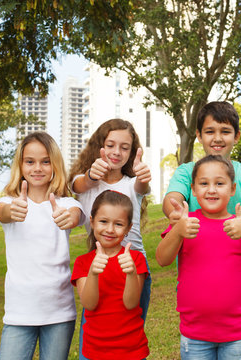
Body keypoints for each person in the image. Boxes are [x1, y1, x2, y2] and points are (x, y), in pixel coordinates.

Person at [162, 101, 241, 360]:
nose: (217, 138)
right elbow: (173, 199)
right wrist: (175, 214)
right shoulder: (187, 171)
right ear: (198, 135)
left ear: (236, 136)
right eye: (210, 131)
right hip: (199, 295)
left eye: (225, 131)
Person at [0, 132, 85, 360]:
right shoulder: (7, 203)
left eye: (45, 161)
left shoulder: (66, 203)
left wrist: (67, 217)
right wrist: (12, 211)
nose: (37, 168)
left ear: (55, 164)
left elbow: (75, 215)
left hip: (59, 312)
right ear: (20, 165)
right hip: (19, 313)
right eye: (30, 162)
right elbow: (2, 213)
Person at [68, 118, 151, 358]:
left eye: (125, 147)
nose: (117, 152)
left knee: (129, 329)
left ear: (132, 152)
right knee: (94, 328)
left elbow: (142, 187)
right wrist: (93, 176)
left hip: (133, 265)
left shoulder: (132, 183)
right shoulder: (83, 182)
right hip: (99, 264)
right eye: (111, 145)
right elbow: (80, 184)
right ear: (99, 146)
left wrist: (142, 174)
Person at [71, 190, 149, 360]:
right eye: (103, 221)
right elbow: (89, 304)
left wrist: (130, 273)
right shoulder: (83, 262)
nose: (110, 229)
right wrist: (93, 273)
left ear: (128, 228)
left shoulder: (136, 259)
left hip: (132, 349)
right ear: (92, 222)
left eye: (118, 224)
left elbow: (131, 303)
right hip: (96, 350)